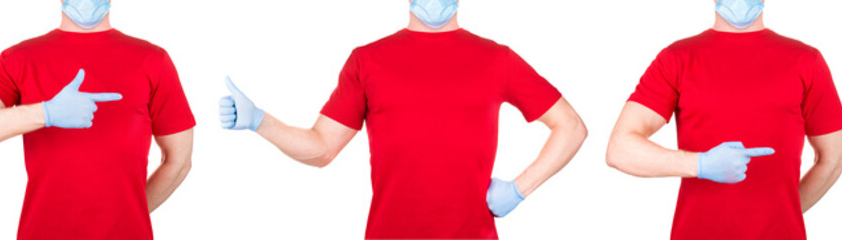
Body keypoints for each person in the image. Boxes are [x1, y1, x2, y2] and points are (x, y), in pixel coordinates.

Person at [218, 0, 586, 238]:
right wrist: (259, 121)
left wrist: (519, 189)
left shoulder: (496, 59)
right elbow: (322, 148)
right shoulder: (368, 60)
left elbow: (570, 127)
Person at [0, 0, 195, 239]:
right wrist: (45, 113)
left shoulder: (153, 61)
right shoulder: (21, 58)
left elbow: (179, 161)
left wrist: (128, 215)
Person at [604, 0, 842, 239]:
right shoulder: (677, 59)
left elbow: (832, 161)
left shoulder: (806, 61)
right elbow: (620, 149)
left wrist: (783, 214)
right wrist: (701, 164)